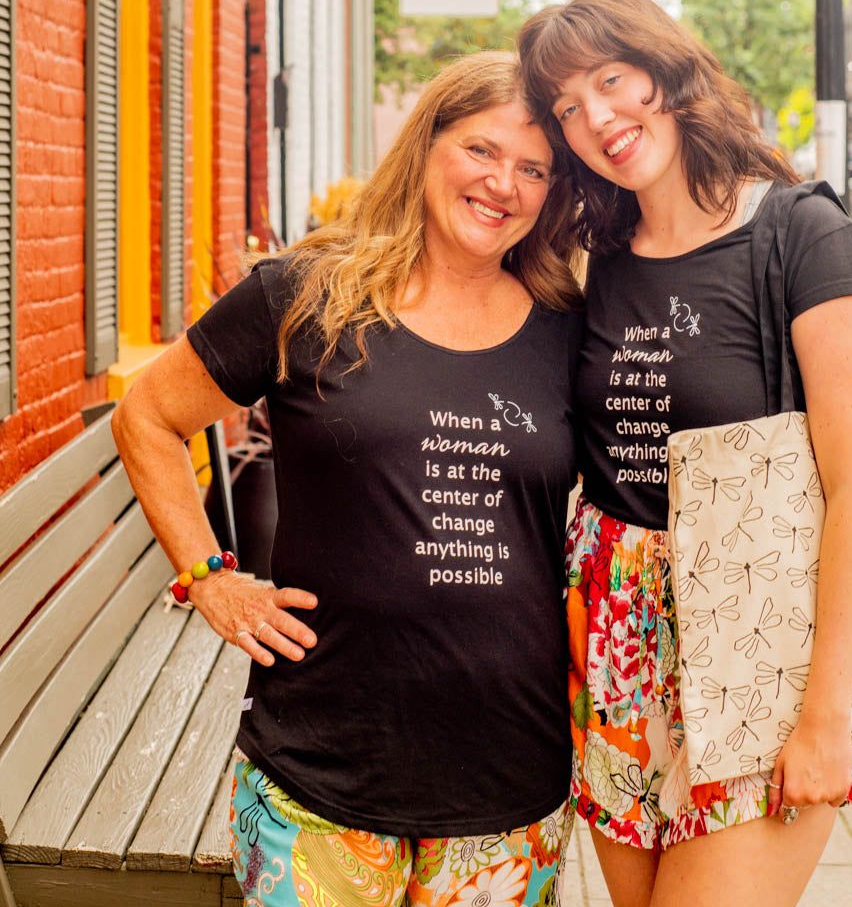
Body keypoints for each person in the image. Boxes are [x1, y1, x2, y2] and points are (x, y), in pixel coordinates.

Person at [112, 51, 584, 907]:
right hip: (319, 767)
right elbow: (146, 416)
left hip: (507, 774)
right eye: (481, 150)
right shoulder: (304, 296)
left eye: (533, 169)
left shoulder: (570, 330)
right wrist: (209, 578)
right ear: (427, 144)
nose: (501, 184)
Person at [517, 0, 852, 907]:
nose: (595, 118)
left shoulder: (801, 233)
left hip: (755, 647)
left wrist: (826, 719)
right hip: (613, 644)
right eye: (566, 106)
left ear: (668, 73)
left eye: (611, 81)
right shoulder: (597, 256)